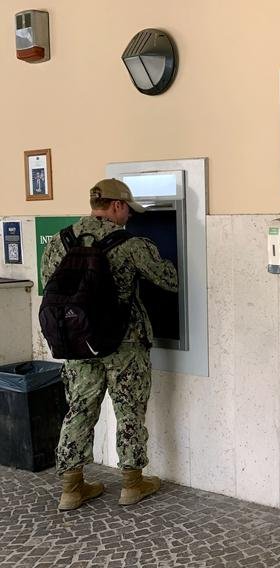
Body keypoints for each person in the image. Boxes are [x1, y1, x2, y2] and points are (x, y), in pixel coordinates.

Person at [41, 178, 178, 511]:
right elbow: (169, 280)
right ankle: (132, 484)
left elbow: (50, 283)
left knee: (79, 411)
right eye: (128, 209)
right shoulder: (130, 243)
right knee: (128, 411)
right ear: (116, 206)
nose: (129, 216)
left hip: (78, 344)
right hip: (124, 345)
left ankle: (72, 489)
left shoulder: (60, 241)